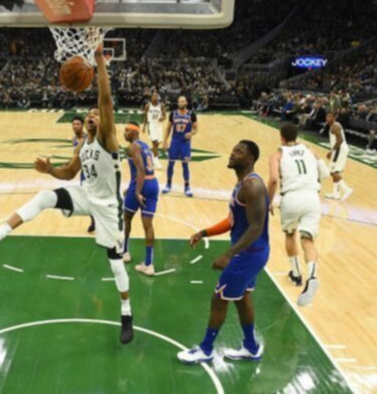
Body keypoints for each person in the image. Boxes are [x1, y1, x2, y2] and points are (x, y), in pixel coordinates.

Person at [0, 45, 134, 343]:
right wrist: (49, 171)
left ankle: (126, 313)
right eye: (90, 114)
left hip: (107, 206)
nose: (94, 115)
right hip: (85, 194)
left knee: (115, 261)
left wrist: (98, 63)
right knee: (44, 196)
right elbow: (69, 173)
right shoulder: (84, 146)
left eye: (97, 114)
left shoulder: (108, 139)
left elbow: (105, 99)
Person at [178, 140, 269, 364]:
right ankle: (251, 347)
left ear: (250, 159)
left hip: (248, 253)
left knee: (219, 298)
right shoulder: (242, 185)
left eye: (238, 151)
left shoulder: (252, 186)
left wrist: (229, 254)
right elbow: (232, 221)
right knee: (241, 297)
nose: (232, 153)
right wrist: (204, 232)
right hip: (253, 252)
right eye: (233, 149)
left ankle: (206, 349)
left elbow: (256, 228)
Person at [268, 124, 330, 306]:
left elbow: (273, 180)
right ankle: (312, 276)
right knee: (308, 240)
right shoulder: (310, 149)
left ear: (281, 137)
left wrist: (269, 201)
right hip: (312, 197)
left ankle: (296, 274)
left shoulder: (277, 155)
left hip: (291, 198)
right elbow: (325, 174)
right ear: (297, 136)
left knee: (290, 234)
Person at [122, 122, 159, 276]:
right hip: (153, 184)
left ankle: (124, 253)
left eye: (127, 130)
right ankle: (149, 265)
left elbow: (141, 170)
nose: (124, 133)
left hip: (140, 185)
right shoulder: (145, 145)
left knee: (127, 218)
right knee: (148, 226)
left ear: (135, 132)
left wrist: (136, 191)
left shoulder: (133, 147)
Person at [163, 96, 198, 197]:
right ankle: (168, 184)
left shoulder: (192, 114)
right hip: (175, 142)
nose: (181, 103)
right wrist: (165, 141)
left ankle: (187, 187)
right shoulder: (173, 114)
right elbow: (168, 128)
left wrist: (191, 133)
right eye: (179, 101)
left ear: (186, 102)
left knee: (185, 164)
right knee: (170, 163)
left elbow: (196, 128)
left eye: (183, 101)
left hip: (185, 143)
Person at [72, 115, 96, 233]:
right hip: (84, 172)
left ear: (83, 126)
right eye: (74, 124)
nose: (75, 126)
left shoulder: (90, 137)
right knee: (88, 199)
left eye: (78, 124)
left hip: (95, 171)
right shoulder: (74, 139)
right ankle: (94, 220)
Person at [324, 112, 353, 201]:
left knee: (332, 172)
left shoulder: (335, 126)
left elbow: (340, 139)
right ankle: (335, 194)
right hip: (340, 150)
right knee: (336, 171)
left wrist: (332, 151)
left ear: (334, 118)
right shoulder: (334, 125)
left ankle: (347, 190)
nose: (327, 118)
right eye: (327, 116)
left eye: (330, 116)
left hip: (339, 150)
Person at [143, 93, 165, 170]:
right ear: (151, 97)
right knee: (155, 142)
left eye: (156, 96)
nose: (155, 97)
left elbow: (164, 115)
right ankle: (156, 162)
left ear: (158, 97)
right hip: (151, 125)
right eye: (153, 96)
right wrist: (144, 126)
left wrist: (162, 118)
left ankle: (152, 156)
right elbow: (145, 116)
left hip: (158, 126)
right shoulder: (148, 105)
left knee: (157, 144)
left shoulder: (161, 105)